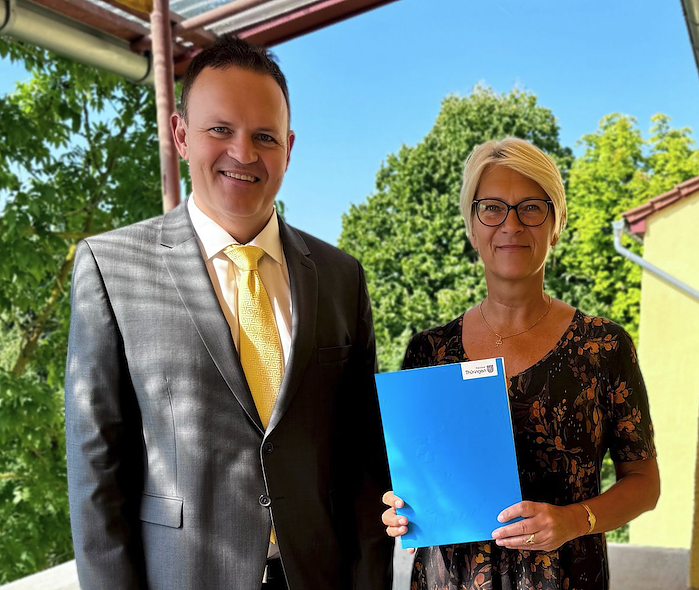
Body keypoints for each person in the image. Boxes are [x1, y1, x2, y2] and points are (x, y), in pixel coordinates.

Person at [65, 35, 393, 590]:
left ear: (288, 147)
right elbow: (98, 473)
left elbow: (363, 461)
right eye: (220, 129)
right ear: (180, 135)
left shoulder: (341, 277)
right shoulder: (111, 267)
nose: (243, 153)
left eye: (264, 136)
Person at [381, 137, 659, 589]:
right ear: (472, 226)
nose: (511, 224)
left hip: (567, 579)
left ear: (556, 223)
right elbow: (413, 479)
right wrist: (401, 508)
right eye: (492, 208)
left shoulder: (605, 347)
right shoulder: (427, 352)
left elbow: (644, 484)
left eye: (531, 207)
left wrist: (574, 520)